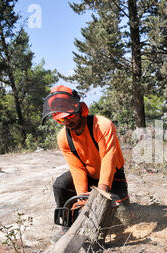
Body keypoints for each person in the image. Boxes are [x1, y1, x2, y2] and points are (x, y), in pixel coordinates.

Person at [42, 85, 130, 243]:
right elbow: (77, 169)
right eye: (61, 119)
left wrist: (101, 192)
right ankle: (67, 227)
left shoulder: (102, 125)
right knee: (60, 185)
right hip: (89, 175)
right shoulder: (63, 138)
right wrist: (83, 200)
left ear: (80, 109)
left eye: (69, 116)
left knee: (124, 217)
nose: (67, 121)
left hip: (112, 175)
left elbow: (108, 158)